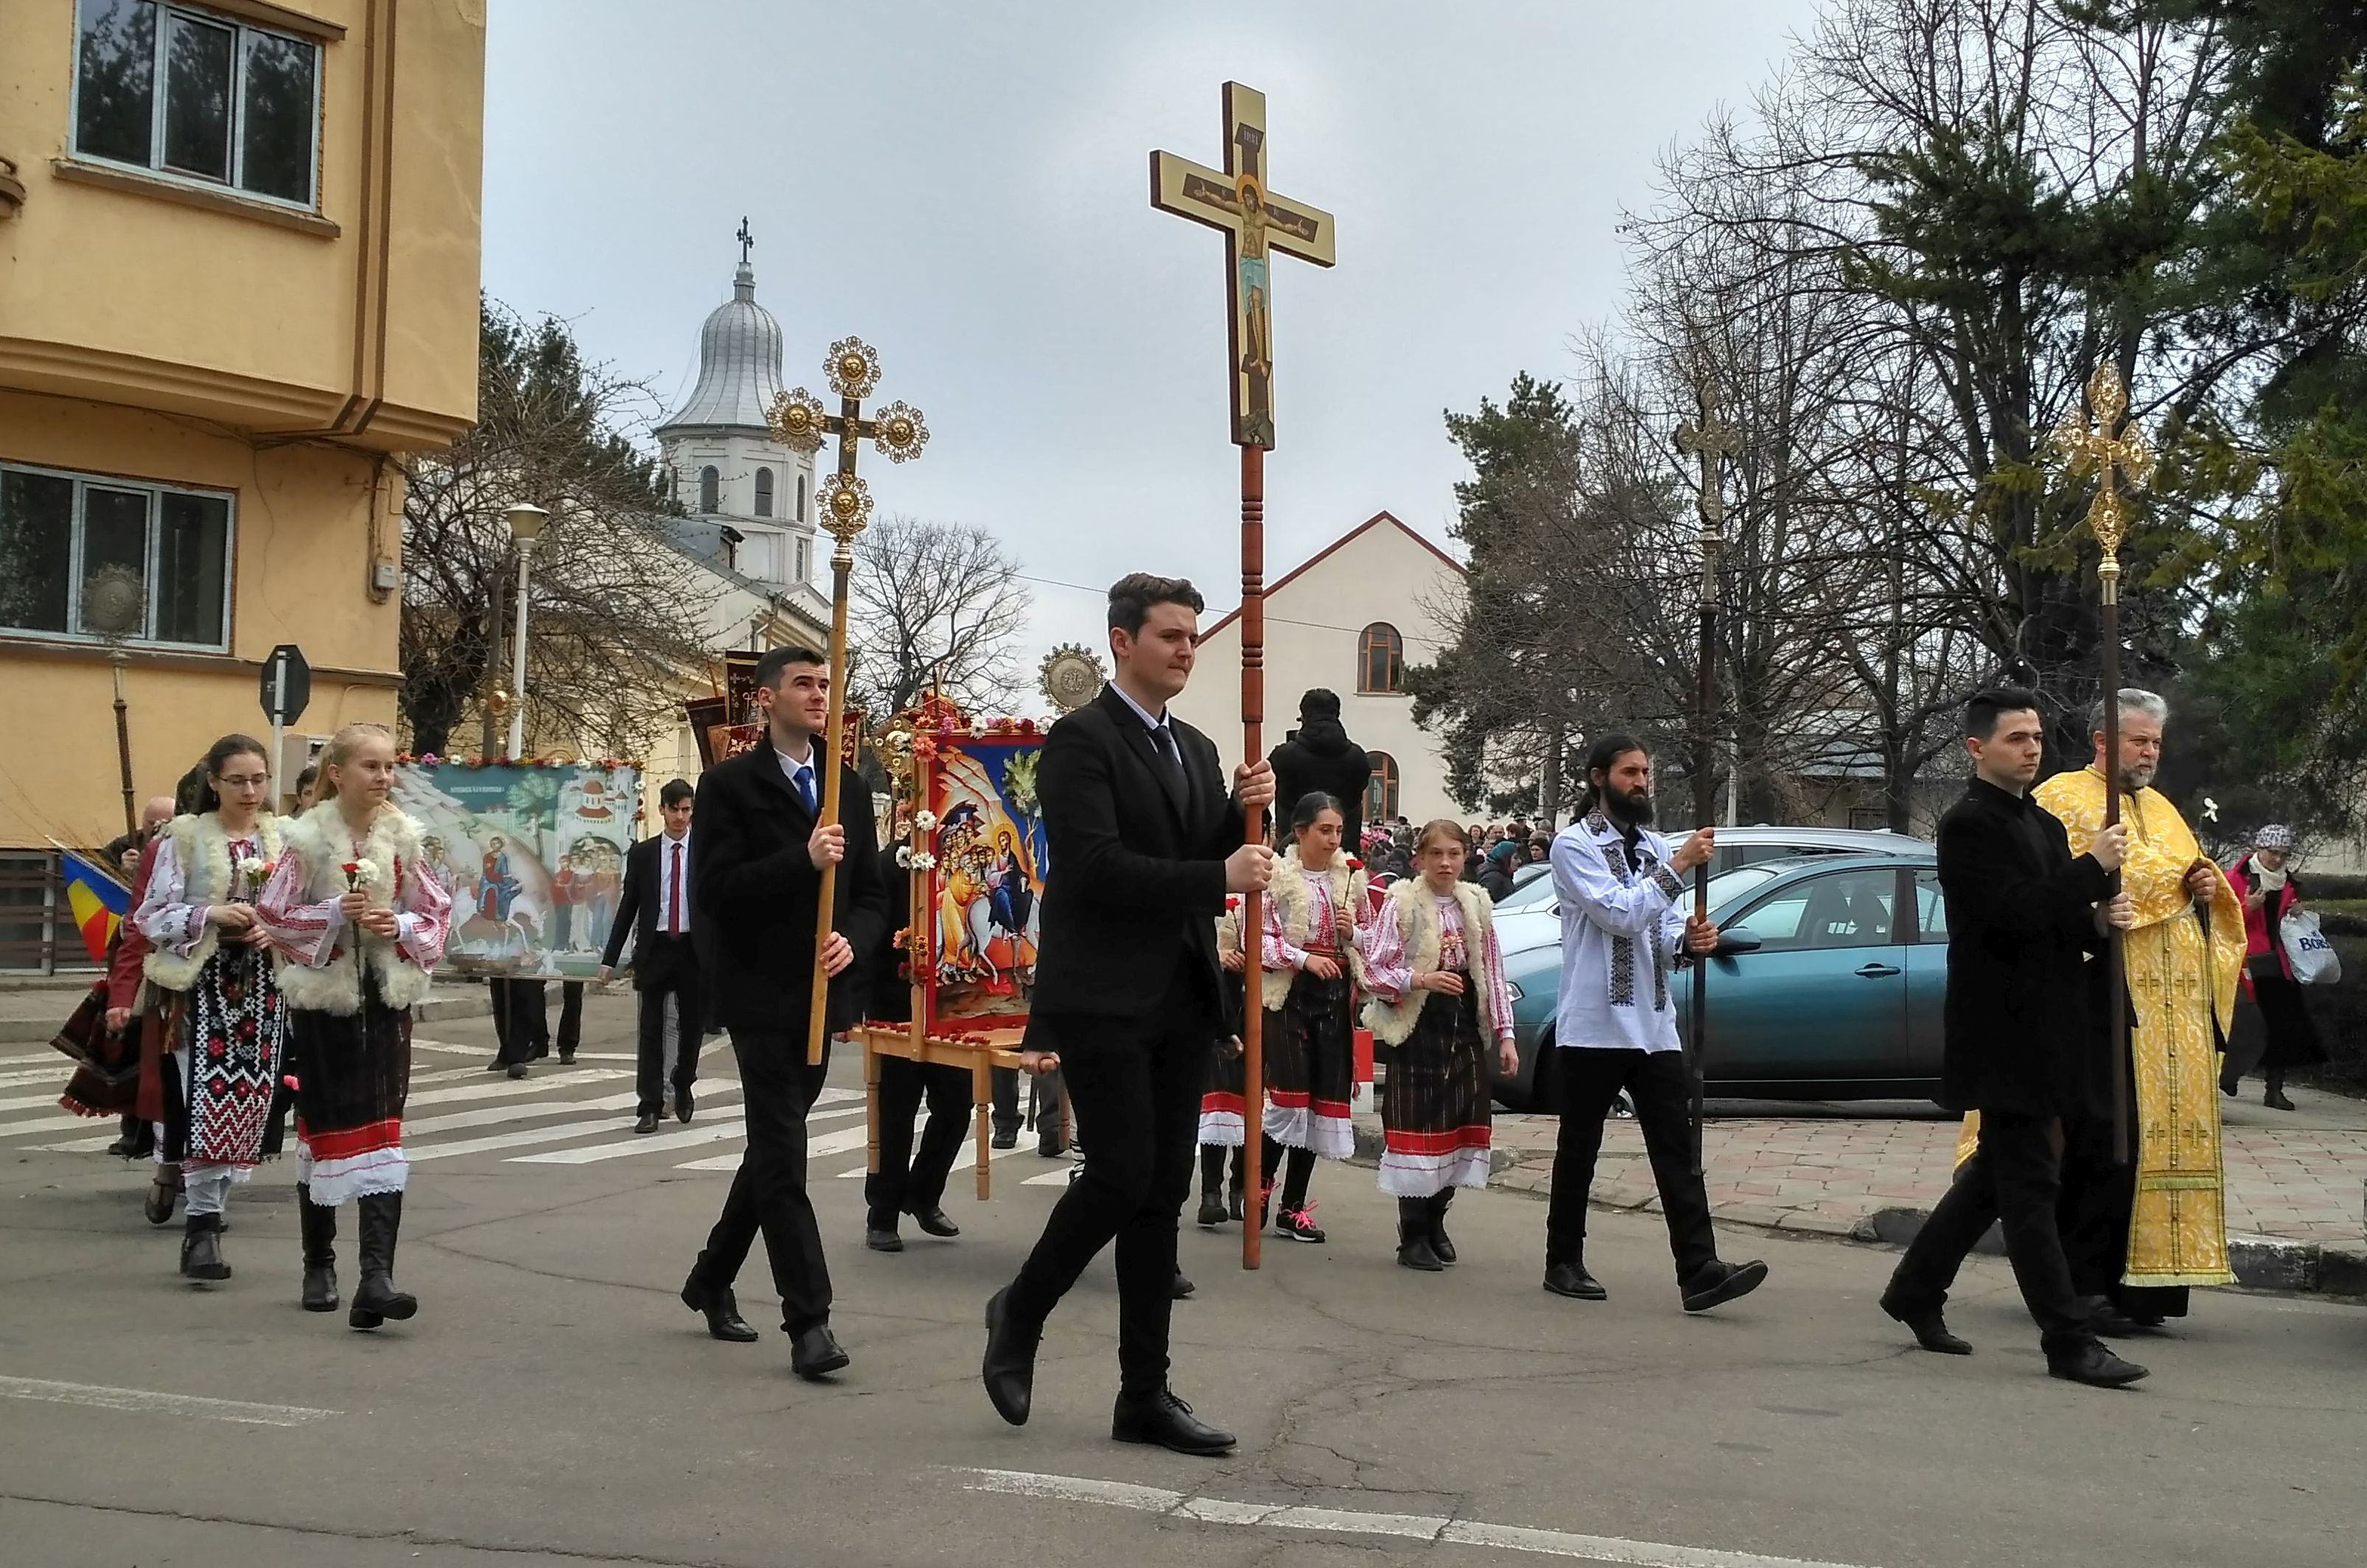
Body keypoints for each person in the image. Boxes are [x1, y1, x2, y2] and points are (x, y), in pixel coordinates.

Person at [980, 573, 1276, 1457]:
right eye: (1168, 635)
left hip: (1179, 995)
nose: (1186, 649)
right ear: (1120, 641)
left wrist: (1242, 812)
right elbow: (1098, 867)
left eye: (1192, 636)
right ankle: (1018, 1308)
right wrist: (1219, 873)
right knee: (1119, 1172)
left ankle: (1142, 1394)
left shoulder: (1193, 745)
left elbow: (1192, 853)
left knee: (1159, 1196)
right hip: (1102, 993)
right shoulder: (1079, 742)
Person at [1879, 690, 2147, 1386]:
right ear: (1976, 748)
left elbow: (2056, 917)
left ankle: (1914, 1290)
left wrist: (2095, 919)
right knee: (2030, 1185)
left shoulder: (2040, 822)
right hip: (2001, 1030)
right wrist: (2089, 870)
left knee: (1995, 1179)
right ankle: (2068, 1339)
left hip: (2050, 1025)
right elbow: (2011, 914)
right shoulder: (1968, 825)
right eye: (2015, 738)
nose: (2031, 748)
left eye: (2035, 737)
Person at [679, 645, 889, 1378]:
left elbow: (871, 893)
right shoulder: (730, 785)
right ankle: (809, 1321)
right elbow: (715, 890)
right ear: (765, 700)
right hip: (757, 993)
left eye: (825, 684)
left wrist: (851, 942)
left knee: (772, 1148)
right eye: (802, 683)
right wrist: (799, 860)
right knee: (784, 1153)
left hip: (819, 993)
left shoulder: (847, 786)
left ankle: (710, 1277)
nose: (817, 695)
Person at [2032, 689, 2242, 1326]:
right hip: (2105, 993)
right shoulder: (2063, 797)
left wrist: (2207, 883)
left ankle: (2146, 1291)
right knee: (2103, 1138)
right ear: (2103, 740)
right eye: (2138, 740)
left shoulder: (2163, 808)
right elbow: (2067, 886)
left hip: (2175, 1007)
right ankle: (2083, 1283)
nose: (2150, 752)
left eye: (2155, 741)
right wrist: (2175, 883)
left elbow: (2187, 875)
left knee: (2155, 1142)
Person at [1538, 733, 1768, 1312]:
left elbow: (1656, 931)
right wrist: (1680, 864)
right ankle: (1563, 1259)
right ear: (1599, 778)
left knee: (1676, 1147)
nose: (1641, 782)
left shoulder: (1654, 845)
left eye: (1646, 772)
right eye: (1630, 772)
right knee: (1580, 1149)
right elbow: (1617, 914)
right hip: (1594, 1022)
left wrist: (1690, 942)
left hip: (1653, 1021)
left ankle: (1699, 1269)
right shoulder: (1574, 845)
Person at [258, 722, 452, 1329]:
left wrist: (403, 929)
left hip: (386, 999)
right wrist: (329, 914)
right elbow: (274, 915)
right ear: (337, 773)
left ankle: (377, 1278)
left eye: (390, 766)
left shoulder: (401, 838)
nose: (384, 777)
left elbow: (437, 912)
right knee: (325, 1129)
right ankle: (320, 1262)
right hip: (327, 1003)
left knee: (384, 1134)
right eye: (371, 766)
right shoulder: (306, 838)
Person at [131, 735, 288, 1284]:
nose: (250, 791)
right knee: (205, 1101)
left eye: (259, 779)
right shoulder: (187, 838)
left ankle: (213, 1211)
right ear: (214, 783)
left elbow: (305, 910)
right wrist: (211, 914)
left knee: (247, 1103)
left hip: (265, 990)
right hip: (201, 988)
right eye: (238, 780)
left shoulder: (283, 837)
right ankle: (202, 1229)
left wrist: (277, 928)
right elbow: (149, 917)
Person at [1359, 818, 1517, 1270]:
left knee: (1462, 1121)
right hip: (1420, 1023)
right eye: (1436, 855)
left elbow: (1493, 971)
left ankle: (1436, 1218)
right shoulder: (1402, 903)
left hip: (1463, 1021)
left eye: (1453, 854)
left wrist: (1505, 1034)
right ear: (1420, 859)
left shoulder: (1476, 904)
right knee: (1418, 1125)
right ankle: (1412, 1234)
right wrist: (1419, 978)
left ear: (1465, 857)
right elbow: (1374, 970)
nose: (1445, 863)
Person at [1253, 792, 1371, 1242]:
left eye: (1338, 830)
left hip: (1334, 995)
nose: (1333, 839)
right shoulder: (1276, 878)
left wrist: (1352, 932)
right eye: (1325, 830)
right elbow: (1258, 941)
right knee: (1289, 1099)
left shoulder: (1350, 879)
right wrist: (1303, 958)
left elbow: (1375, 940)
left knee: (1321, 1101)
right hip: (1291, 994)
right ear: (1300, 832)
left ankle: (1294, 1207)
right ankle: (1259, 1186)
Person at [861, 841, 968, 1252]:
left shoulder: (956, 859)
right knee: (897, 1113)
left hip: (947, 1009)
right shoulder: (891, 863)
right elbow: (870, 932)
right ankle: (883, 1213)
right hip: (896, 1004)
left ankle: (923, 1194)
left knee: (957, 1106)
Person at [601, 780, 706, 1133]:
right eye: (674, 809)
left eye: (686, 809)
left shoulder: (704, 851)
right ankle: (649, 1103)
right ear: (662, 809)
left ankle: (683, 1080)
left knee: (692, 1026)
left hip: (694, 949)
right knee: (651, 1028)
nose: (680, 817)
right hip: (656, 948)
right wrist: (610, 958)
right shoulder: (644, 854)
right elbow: (628, 906)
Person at [2225, 825, 2321, 1111]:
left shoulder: (2289, 884)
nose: (2276, 860)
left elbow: (2286, 922)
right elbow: (2220, 922)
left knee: (2282, 1027)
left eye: (2283, 855)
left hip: (2279, 962)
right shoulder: (2236, 879)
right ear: (2259, 849)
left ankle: (2274, 1089)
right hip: (2245, 961)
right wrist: (2247, 908)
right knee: (2244, 1025)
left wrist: (2298, 911)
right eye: (2271, 853)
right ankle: (2229, 1075)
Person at [1195, 897, 1250, 1227]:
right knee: (1218, 1101)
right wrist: (1217, 956)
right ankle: (1210, 1193)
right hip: (1216, 1004)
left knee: (1252, 1103)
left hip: (1261, 1003)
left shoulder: (1274, 888)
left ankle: (1241, 1187)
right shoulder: (1207, 881)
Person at [1268, 689, 1373, 857]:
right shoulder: (1358, 758)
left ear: (1304, 716)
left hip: (1294, 854)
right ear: (1337, 714)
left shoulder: (1284, 756)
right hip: (1342, 855)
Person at [1478, 838, 1520, 902]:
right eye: (1515, 858)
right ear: (1505, 859)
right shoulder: (1493, 879)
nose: (1519, 861)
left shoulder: (1503, 875)